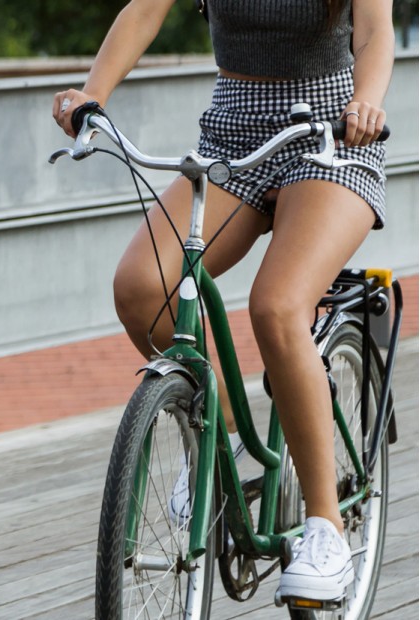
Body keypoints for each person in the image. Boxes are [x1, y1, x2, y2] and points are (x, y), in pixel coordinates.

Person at [51, 0, 392, 603]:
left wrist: (365, 101)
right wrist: (91, 94)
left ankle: (326, 529)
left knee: (277, 307)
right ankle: (223, 431)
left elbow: (372, 30)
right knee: (141, 287)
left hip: (331, 133)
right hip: (233, 131)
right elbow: (145, 10)